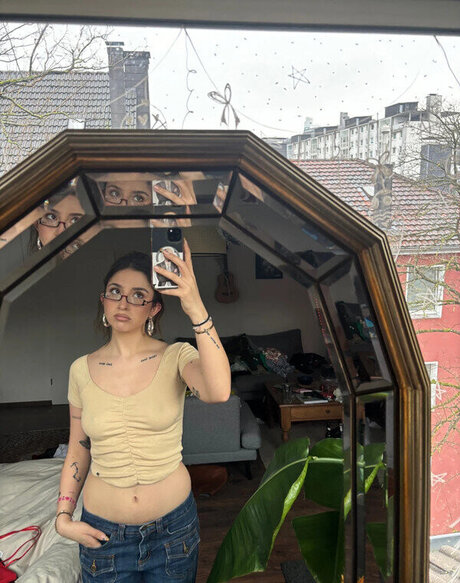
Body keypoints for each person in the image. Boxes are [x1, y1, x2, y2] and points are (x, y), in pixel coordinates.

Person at [55, 241, 231, 582]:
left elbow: (218, 391)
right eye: (115, 292)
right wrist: (63, 516)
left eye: (138, 295)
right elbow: (78, 446)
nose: (123, 302)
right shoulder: (80, 369)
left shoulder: (176, 356)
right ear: (103, 300)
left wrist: (195, 305)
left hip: (173, 530)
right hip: (103, 535)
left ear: (154, 308)